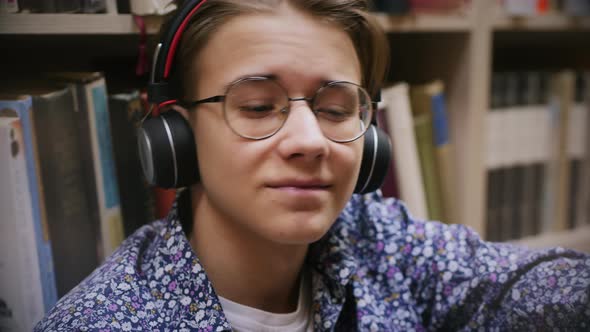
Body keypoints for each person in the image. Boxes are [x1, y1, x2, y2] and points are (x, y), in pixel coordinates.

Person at [36, 0, 590, 331]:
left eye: (335, 109)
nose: (311, 141)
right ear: (176, 135)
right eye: (256, 106)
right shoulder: (106, 320)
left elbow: (521, 288)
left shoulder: (374, 240)